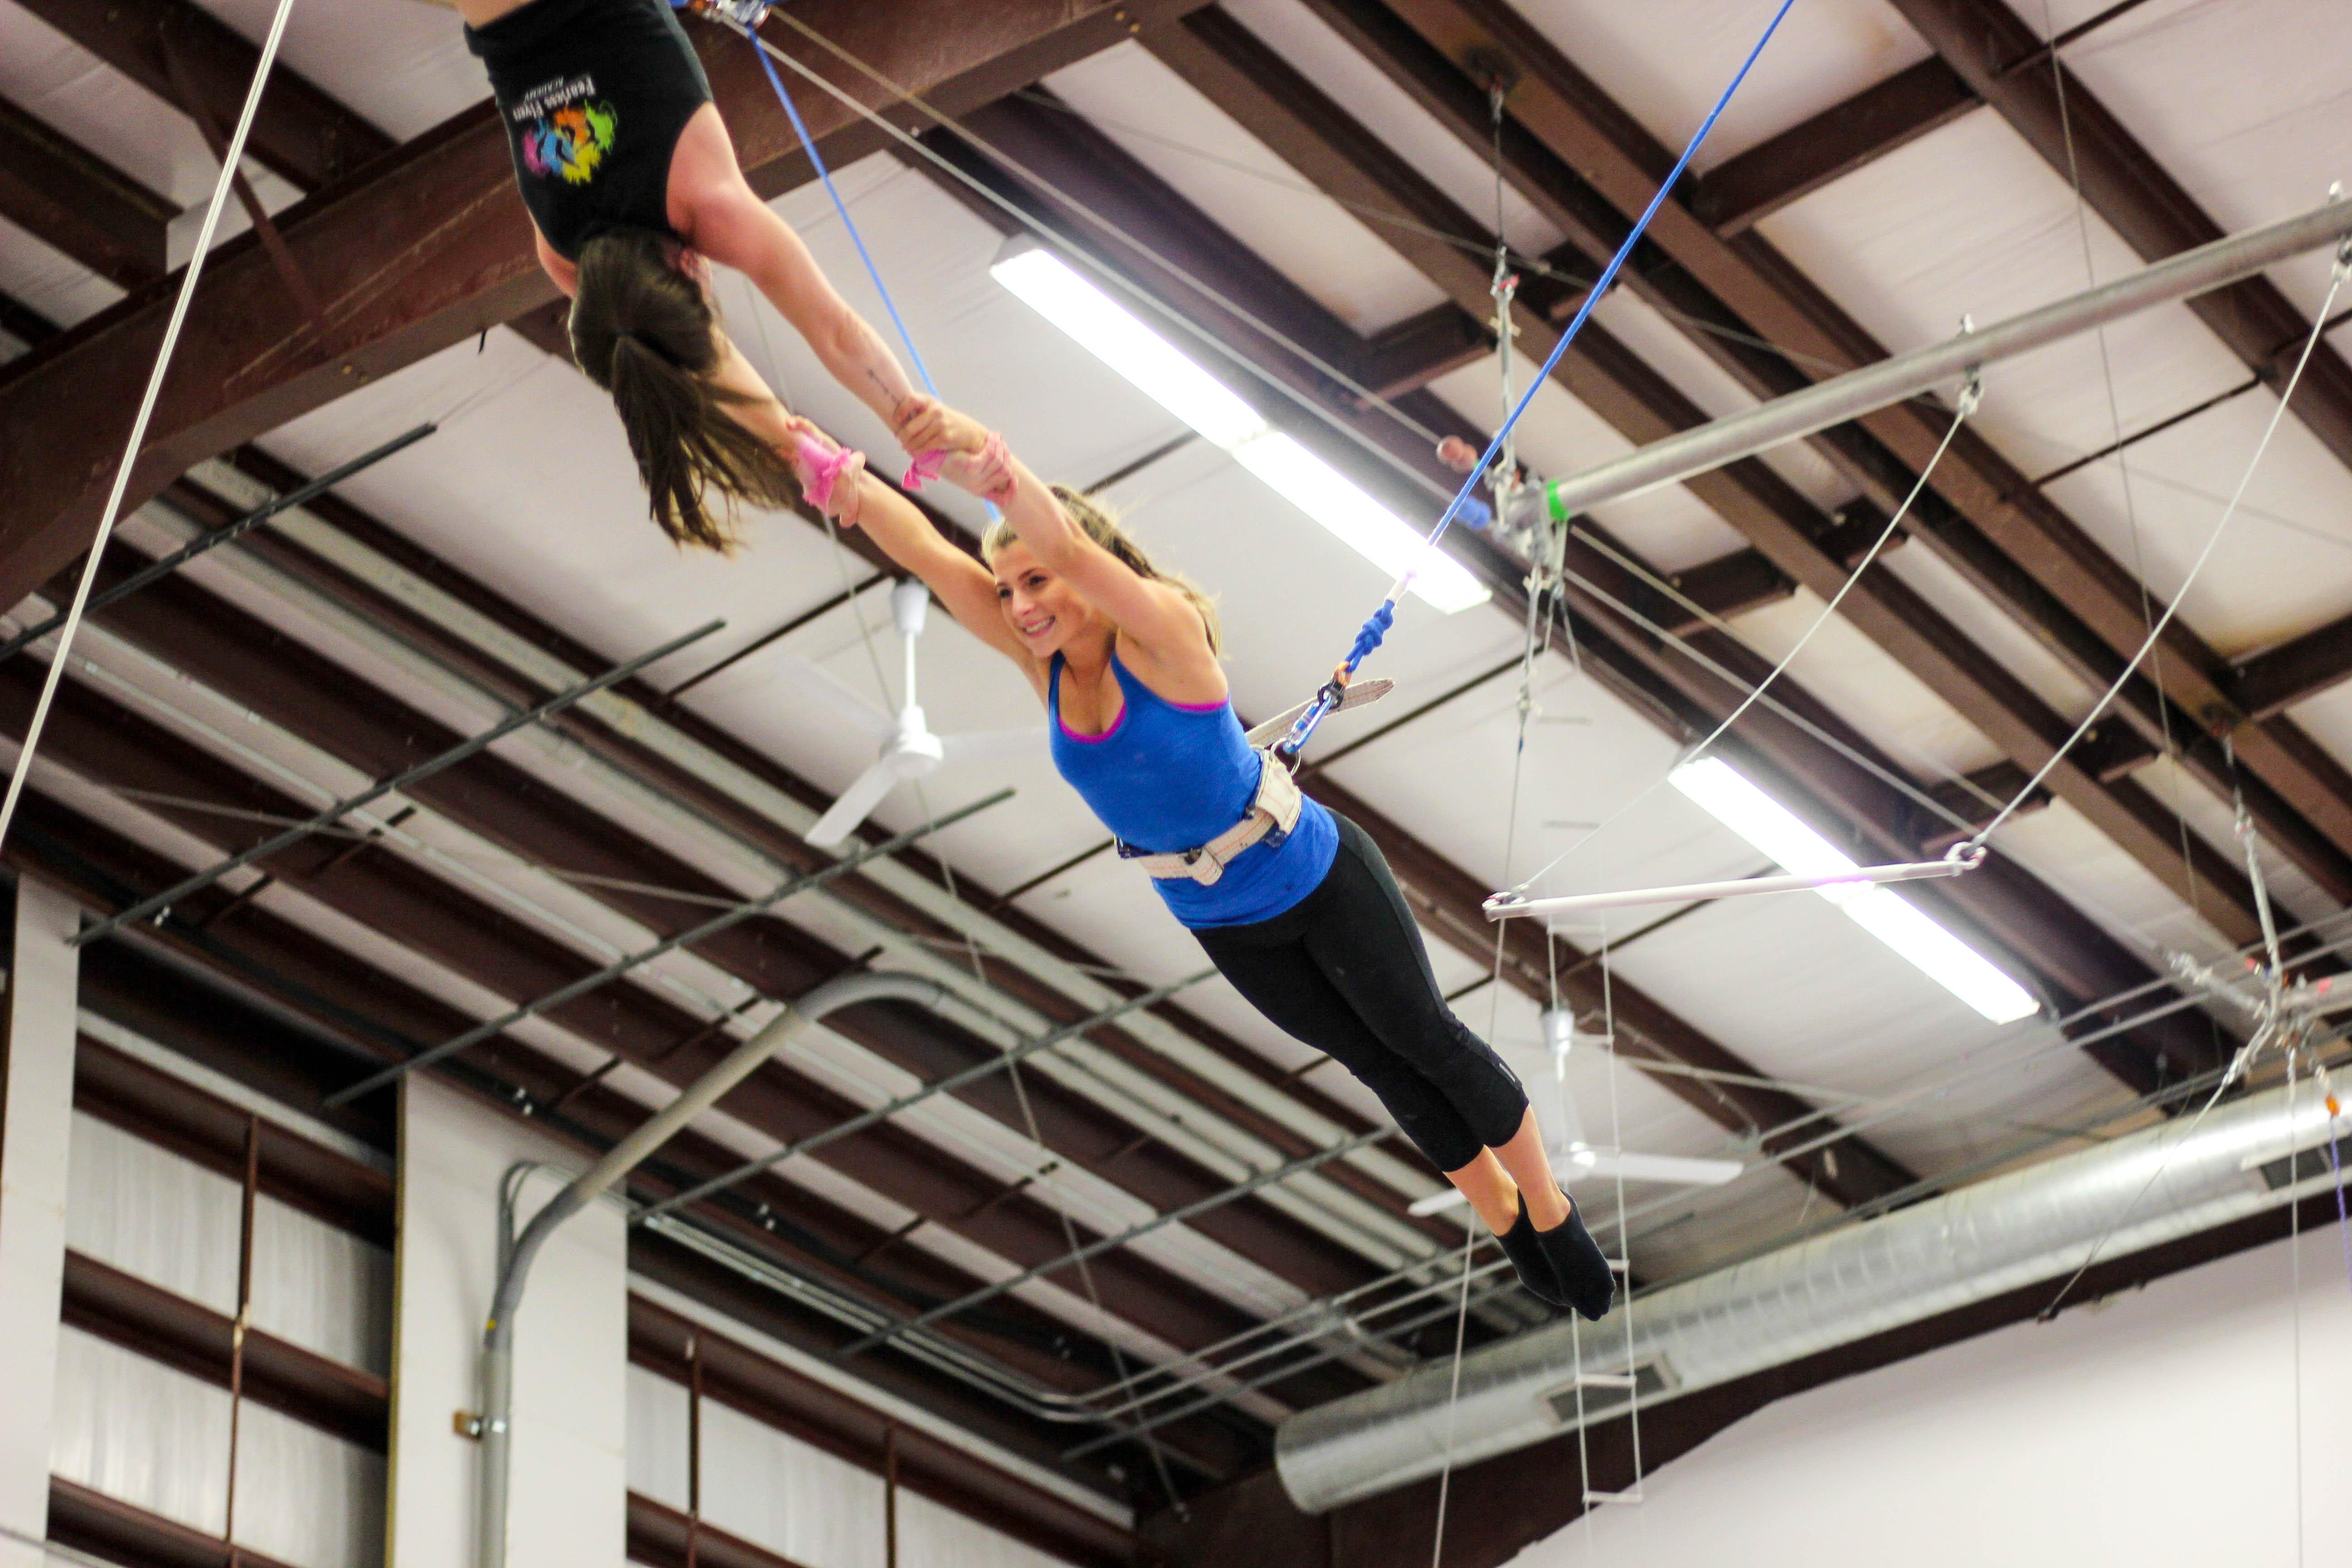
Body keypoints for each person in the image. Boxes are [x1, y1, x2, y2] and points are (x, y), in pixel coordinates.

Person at [788, 415, 1615, 1319]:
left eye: (1036, 580)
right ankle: (1499, 1212)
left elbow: (1061, 539)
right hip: (1225, 921)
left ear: (1087, 570)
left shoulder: (1165, 635)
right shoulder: (1047, 667)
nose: (1020, 605)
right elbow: (923, 551)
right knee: (1372, 1064)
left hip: (1317, 876)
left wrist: (996, 471)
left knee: (1424, 1039)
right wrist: (836, 478)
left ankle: (1550, 1206)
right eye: (1008, 587)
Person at [453, 0, 983, 547]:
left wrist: (912, 427)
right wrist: (795, 449)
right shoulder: (562, 252)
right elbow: (667, 339)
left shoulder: (709, 205)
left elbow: (836, 331)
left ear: (688, 266)